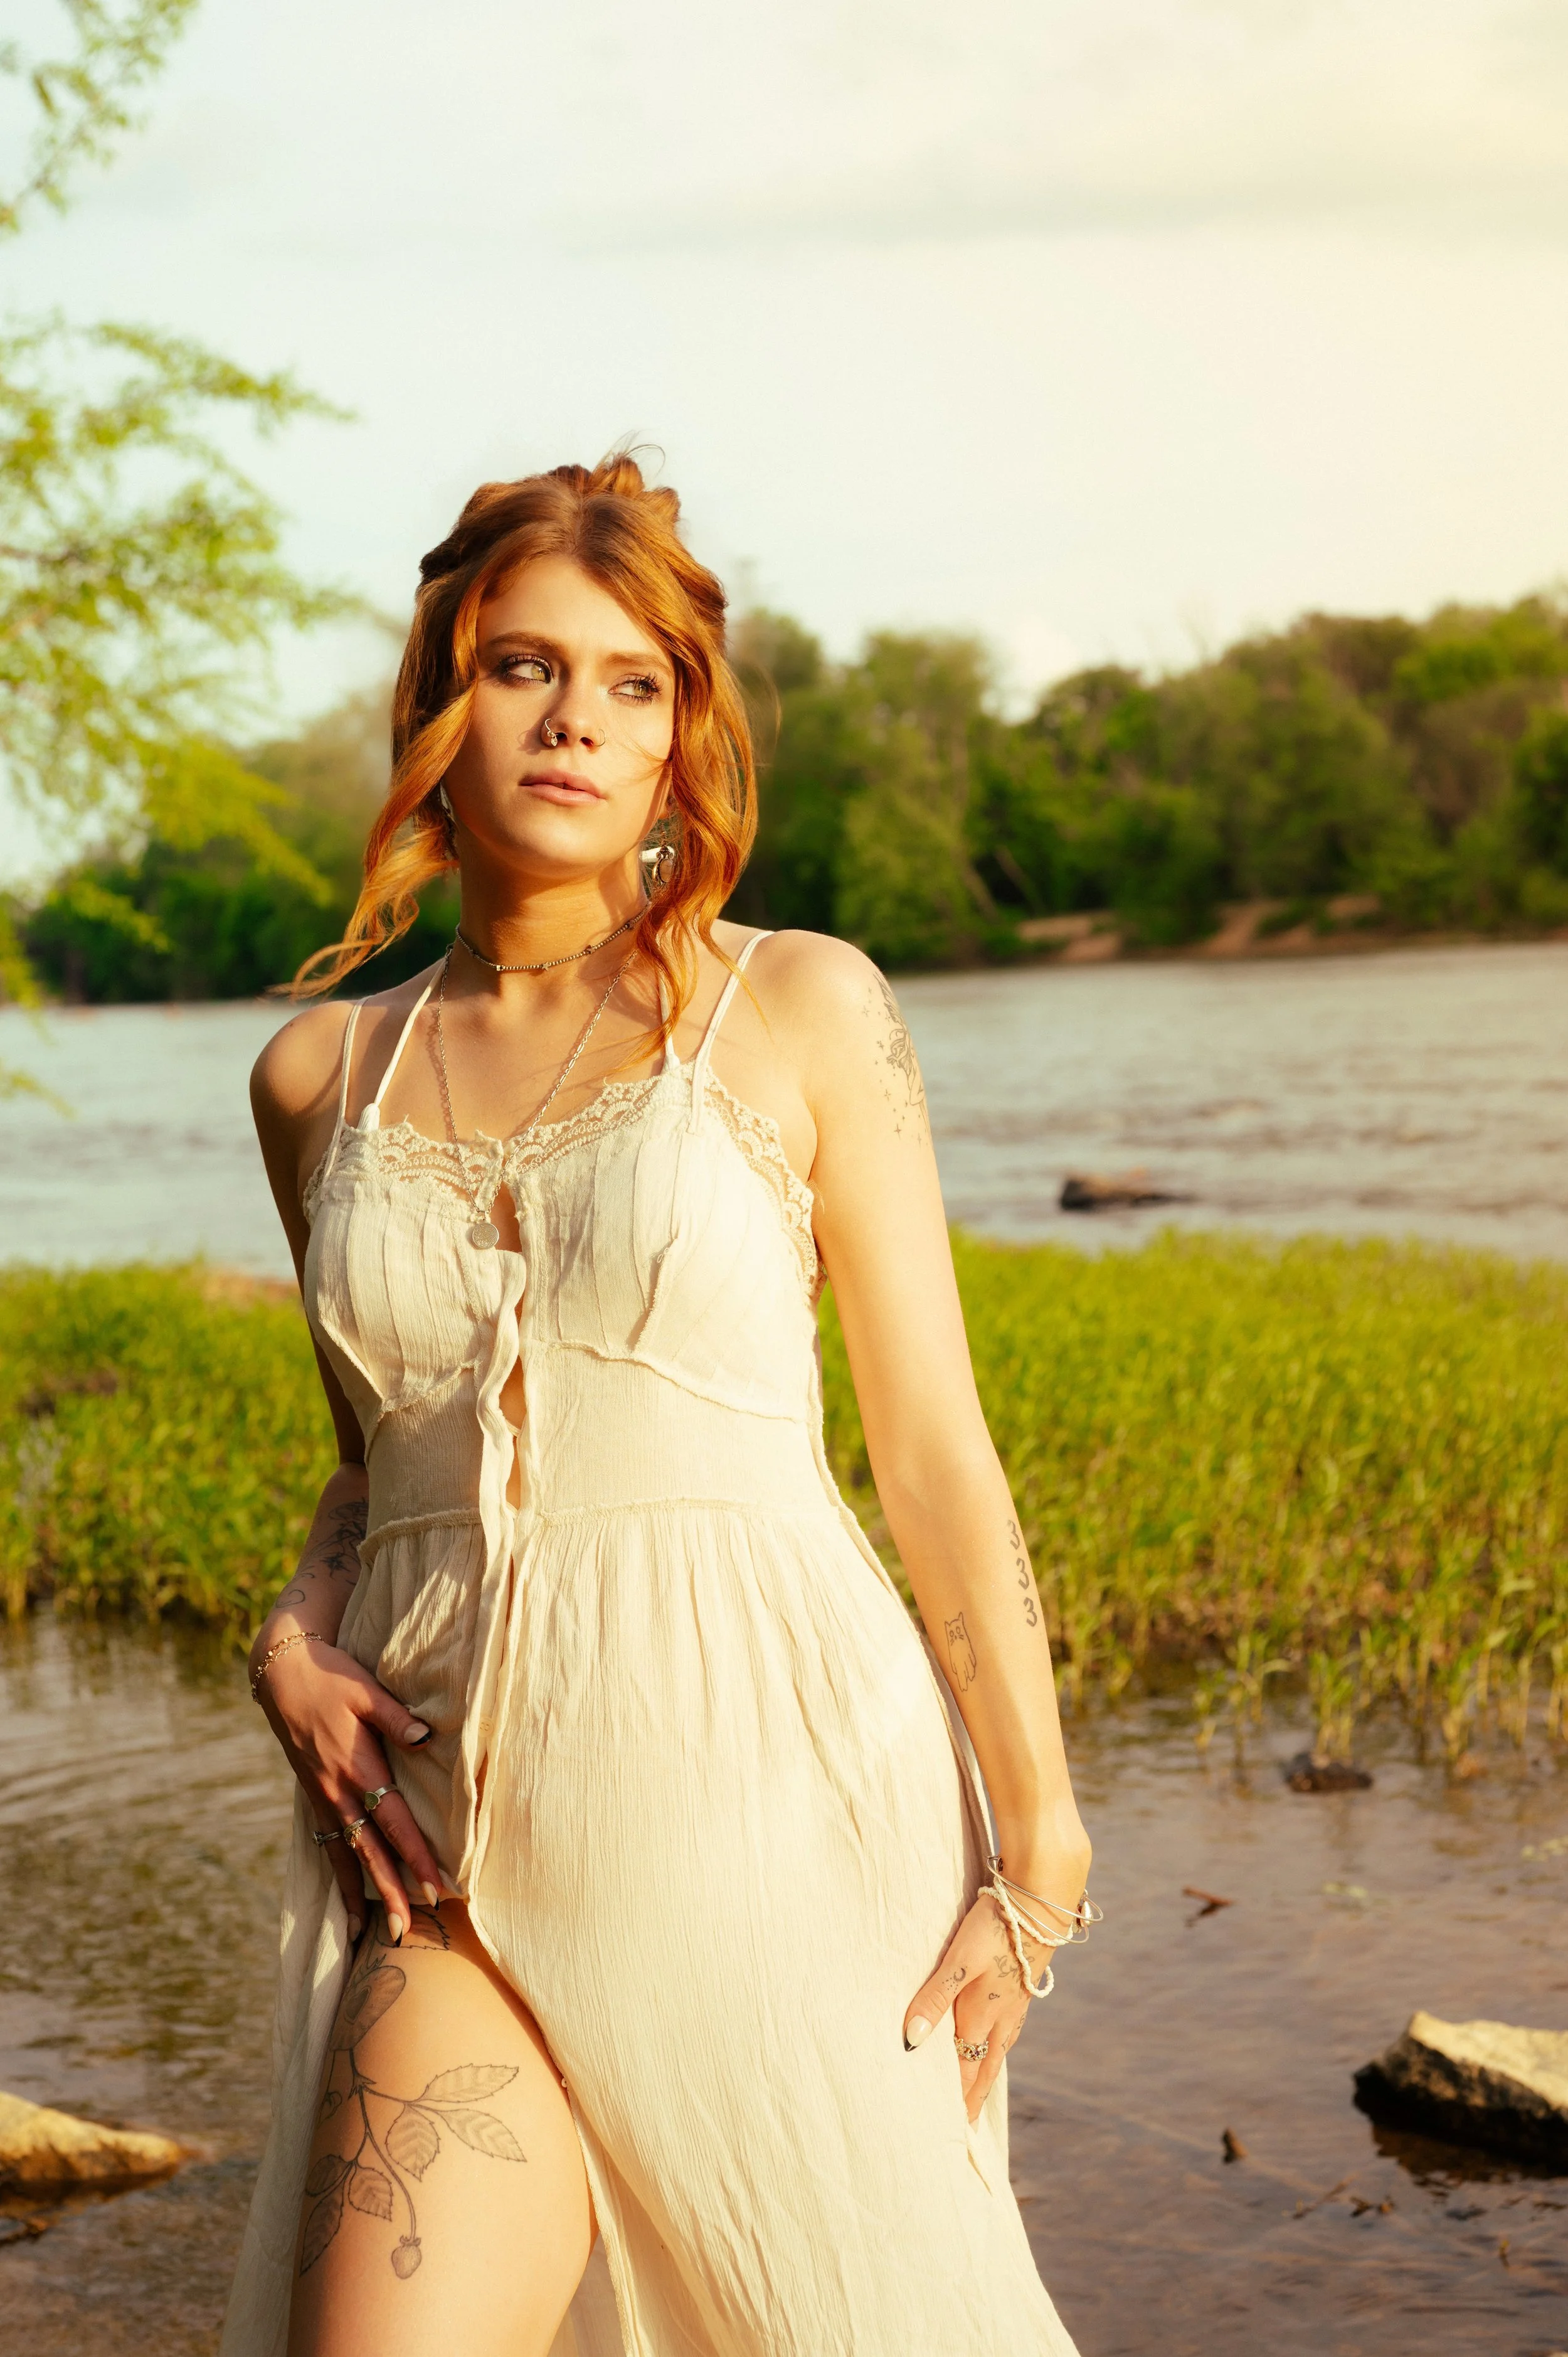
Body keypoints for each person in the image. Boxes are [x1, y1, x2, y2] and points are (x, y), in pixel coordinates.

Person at [224, 455, 1095, 2357]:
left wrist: (1039, 1837)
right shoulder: (317, 1079)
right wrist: (291, 1631)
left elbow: (930, 1450)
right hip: (443, 1841)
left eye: (634, 683)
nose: (575, 720)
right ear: (439, 706)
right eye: (526, 666)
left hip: (767, 1807)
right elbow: (376, 1465)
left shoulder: (793, 1007)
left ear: (682, 732)